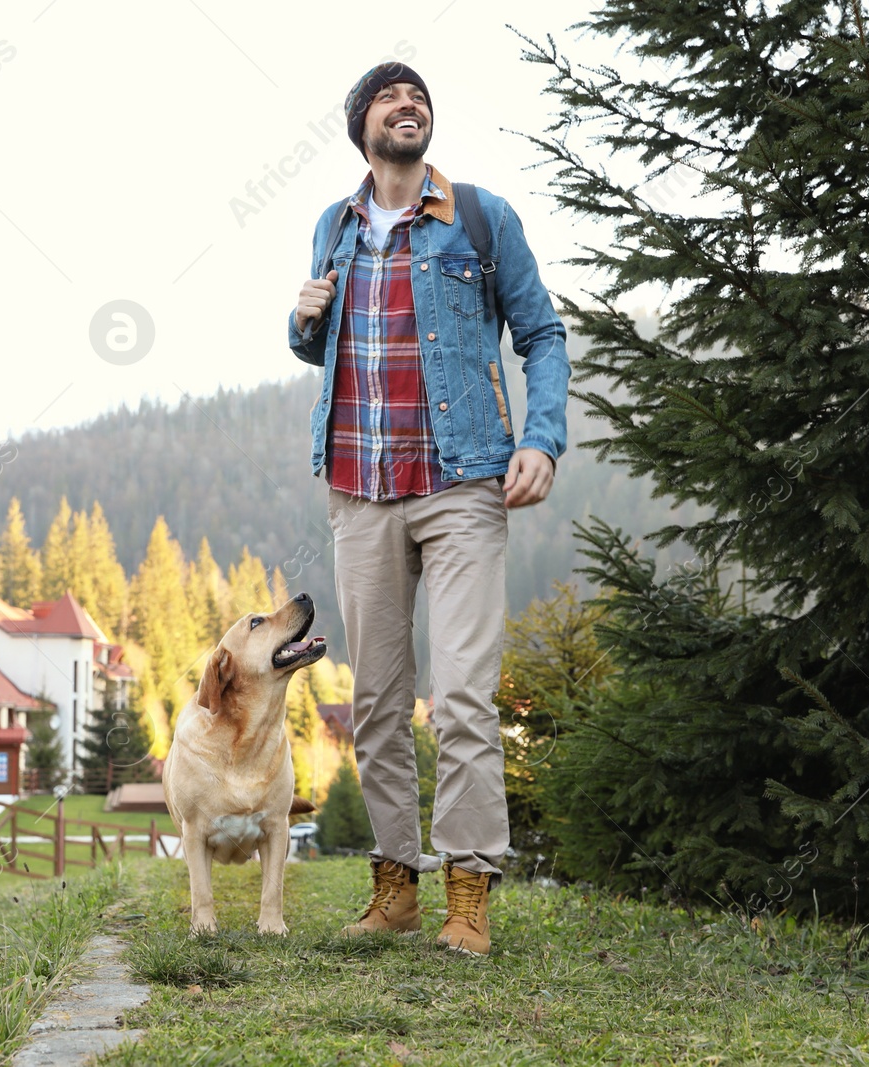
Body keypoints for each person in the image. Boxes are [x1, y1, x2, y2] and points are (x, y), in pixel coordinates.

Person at [287, 62, 569, 956]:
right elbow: (320, 343)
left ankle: (468, 893)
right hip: (359, 487)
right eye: (388, 96)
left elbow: (543, 334)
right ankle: (395, 885)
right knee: (374, 700)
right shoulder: (334, 227)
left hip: (463, 484)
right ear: (359, 126)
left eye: (419, 98)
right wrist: (300, 322)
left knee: (464, 699)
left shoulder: (480, 218)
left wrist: (543, 437)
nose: (408, 105)